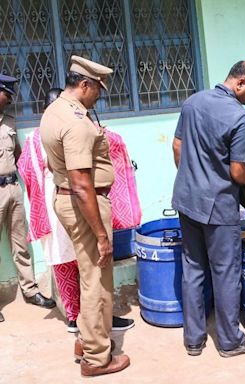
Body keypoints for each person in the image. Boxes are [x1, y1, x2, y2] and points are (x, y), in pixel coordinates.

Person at [17, 88, 136, 334]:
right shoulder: (62, 130)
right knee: (88, 264)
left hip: (62, 201)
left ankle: (84, 319)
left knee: (79, 262)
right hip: (72, 199)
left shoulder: (51, 131)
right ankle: (85, 322)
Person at [40, 56, 130, 376]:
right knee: (97, 280)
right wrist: (103, 235)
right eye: (97, 91)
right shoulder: (76, 121)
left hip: (68, 199)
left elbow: (56, 166)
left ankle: (84, 340)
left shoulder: (54, 111)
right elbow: (80, 183)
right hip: (84, 201)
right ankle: (96, 357)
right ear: (84, 85)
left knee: (87, 273)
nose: (98, 97)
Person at [172, 61, 245, 357]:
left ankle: (194, 340)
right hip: (218, 206)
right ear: (240, 83)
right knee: (225, 272)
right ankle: (229, 341)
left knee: (193, 268)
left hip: (187, 200)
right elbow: (238, 171)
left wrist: (193, 178)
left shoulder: (192, 102)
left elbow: (177, 147)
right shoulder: (240, 117)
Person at [0, 74, 56, 323]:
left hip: (13, 188)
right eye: (7, 94)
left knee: (20, 245)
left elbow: (19, 155)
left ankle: (30, 291)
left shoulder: (10, 121)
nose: (10, 99)